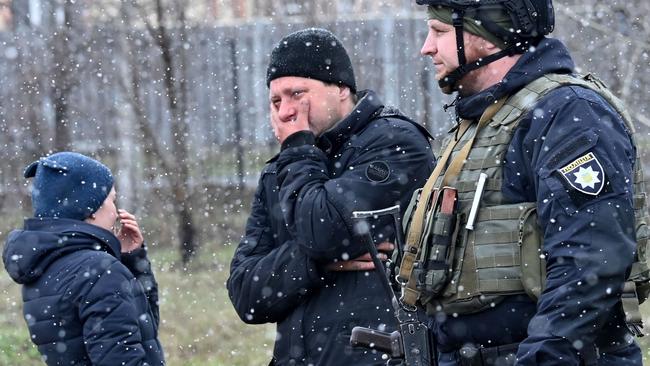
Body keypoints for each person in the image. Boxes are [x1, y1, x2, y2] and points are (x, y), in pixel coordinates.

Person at [398, 1, 650, 365]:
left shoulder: (568, 114)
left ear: (487, 35)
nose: (426, 47)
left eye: (438, 32)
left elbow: (592, 261)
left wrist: (542, 355)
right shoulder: (482, 122)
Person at [227, 28, 436, 365]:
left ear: (341, 89)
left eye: (297, 94)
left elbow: (320, 233)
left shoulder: (395, 143)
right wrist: (315, 261)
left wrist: (297, 150)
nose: (284, 113)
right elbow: (246, 295)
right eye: (276, 101)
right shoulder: (281, 169)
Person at [2, 152, 165, 365]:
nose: (116, 212)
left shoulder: (48, 266)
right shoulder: (100, 271)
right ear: (91, 208)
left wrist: (131, 260)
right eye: (112, 200)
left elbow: (142, 331)